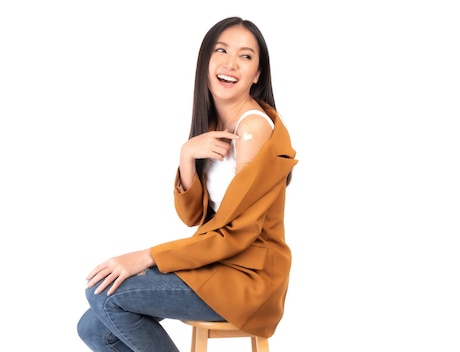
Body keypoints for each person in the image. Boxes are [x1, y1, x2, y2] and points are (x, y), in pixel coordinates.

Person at [77, 16, 297, 352]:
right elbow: (194, 216)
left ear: (258, 74)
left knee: (103, 297)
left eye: (245, 56)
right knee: (93, 327)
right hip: (218, 267)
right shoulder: (214, 124)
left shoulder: (253, 130)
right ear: (205, 59)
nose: (230, 63)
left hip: (248, 280)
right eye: (221, 50)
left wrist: (148, 256)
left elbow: (238, 233)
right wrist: (186, 156)